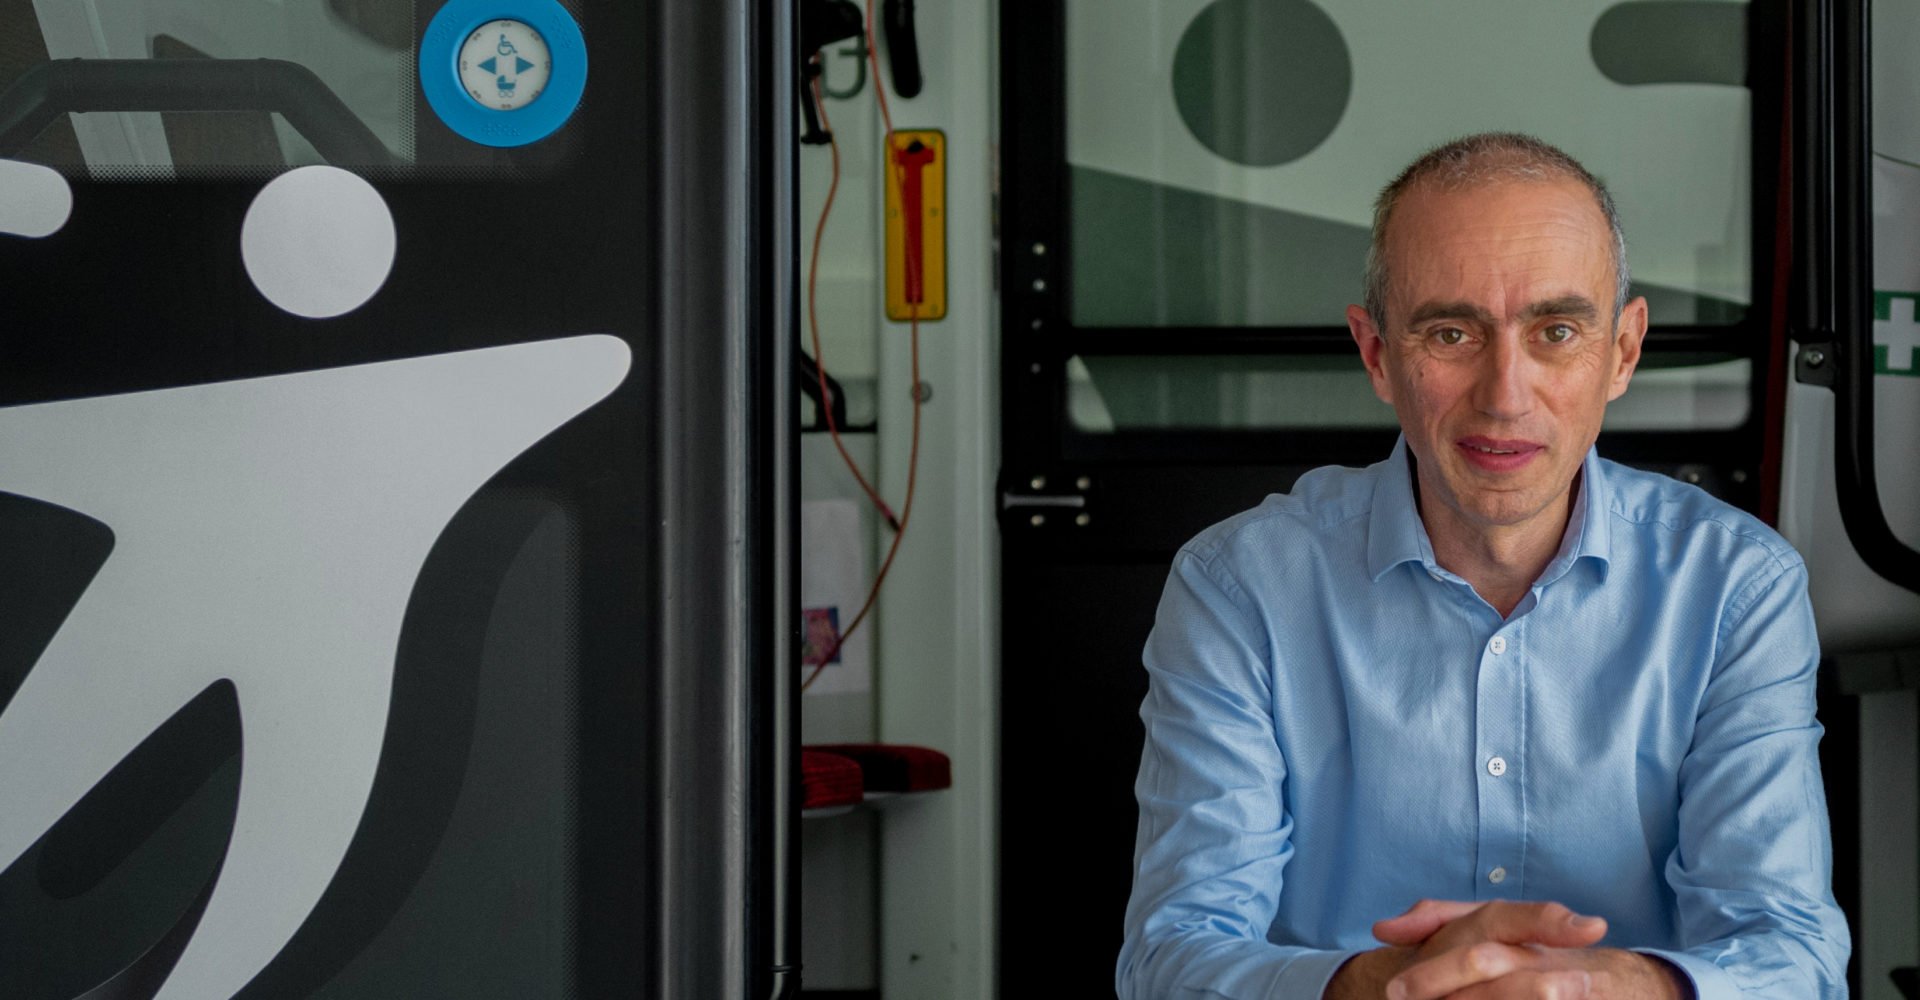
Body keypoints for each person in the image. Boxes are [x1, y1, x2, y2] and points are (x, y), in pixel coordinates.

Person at [1115, 133, 1850, 1000]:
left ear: (1622, 353)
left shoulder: (1737, 589)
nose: (1505, 393)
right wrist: (1389, 988)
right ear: (1378, 354)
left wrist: (1600, 991)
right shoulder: (1239, 590)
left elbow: (1792, 956)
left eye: (1558, 330)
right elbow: (1171, 959)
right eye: (1453, 331)